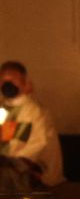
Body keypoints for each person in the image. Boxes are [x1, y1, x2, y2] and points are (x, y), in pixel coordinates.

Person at [0, 60, 64, 190]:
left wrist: (9, 161)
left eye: (12, 80)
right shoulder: (3, 108)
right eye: (3, 80)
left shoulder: (35, 111)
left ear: (24, 83)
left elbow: (38, 144)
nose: (7, 84)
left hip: (32, 171)